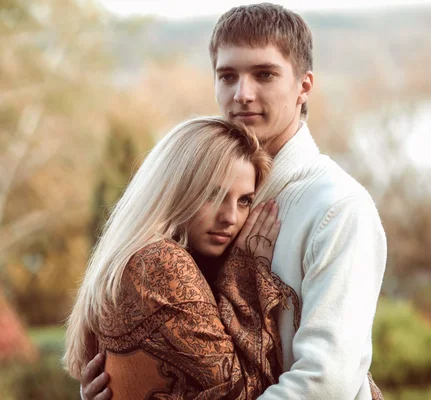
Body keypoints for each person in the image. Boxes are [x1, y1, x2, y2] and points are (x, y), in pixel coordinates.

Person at [81, 3, 387, 399]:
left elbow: (326, 382)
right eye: (228, 75)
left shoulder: (337, 208)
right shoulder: (191, 198)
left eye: (264, 74)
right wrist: (124, 380)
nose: (242, 94)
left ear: (304, 86)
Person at [63, 116, 302, 399]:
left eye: (244, 201)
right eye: (213, 194)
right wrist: (248, 273)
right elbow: (240, 395)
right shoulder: (159, 262)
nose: (231, 218)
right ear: (176, 189)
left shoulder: (142, 257)